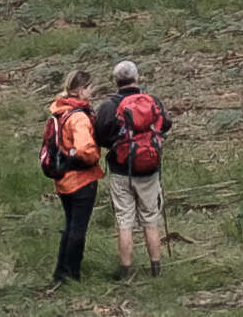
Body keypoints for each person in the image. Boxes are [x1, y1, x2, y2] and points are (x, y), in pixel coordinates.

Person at [98, 60, 172, 274]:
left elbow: (100, 135)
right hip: (150, 169)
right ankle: (156, 266)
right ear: (137, 78)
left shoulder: (109, 106)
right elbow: (165, 125)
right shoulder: (152, 101)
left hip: (121, 170)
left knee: (124, 219)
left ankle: (125, 268)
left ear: (115, 81)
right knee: (150, 219)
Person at [40, 66, 103, 281]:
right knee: (78, 230)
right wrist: (95, 156)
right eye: (90, 88)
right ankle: (72, 274)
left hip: (63, 180)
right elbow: (85, 149)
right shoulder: (79, 117)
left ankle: (61, 272)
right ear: (81, 89)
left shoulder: (59, 110)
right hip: (81, 180)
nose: (92, 92)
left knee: (69, 227)